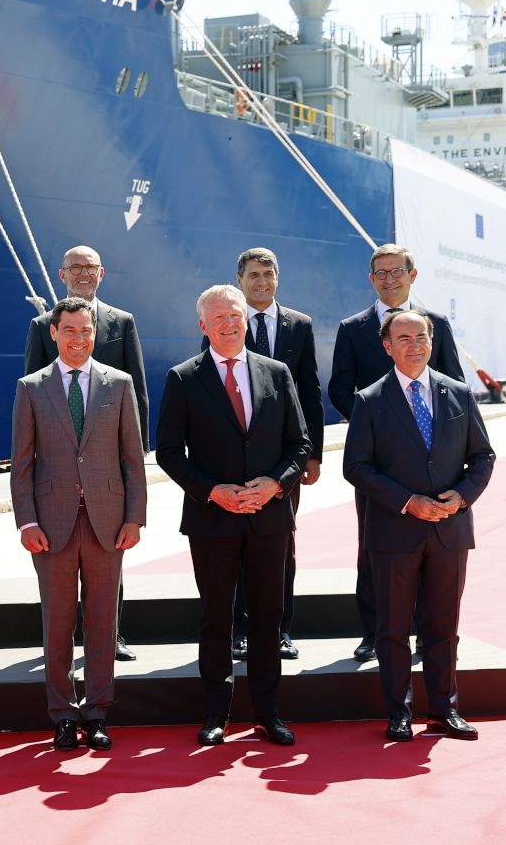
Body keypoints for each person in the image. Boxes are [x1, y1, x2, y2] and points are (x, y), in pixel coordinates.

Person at [154, 285, 309, 747]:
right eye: (218, 317)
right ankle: (216, 715)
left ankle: (268, 713)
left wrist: (276, 483)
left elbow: (300, 445)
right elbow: (167, 452)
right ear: (203, 325)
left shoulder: (277, 373)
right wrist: (212, 491)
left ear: (246, 320)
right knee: (216, 618)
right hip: (212, 519)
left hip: (269, 517)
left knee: (268, 616)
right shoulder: (183, 378)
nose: (228, 323)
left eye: (235, 315)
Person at [343, 310, 495, 742]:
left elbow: (483, 457)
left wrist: (461, 496)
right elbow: (356, 466)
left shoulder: (460, 394)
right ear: (387, 346)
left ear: (431, 341)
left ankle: (445, 710)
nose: (414, 344)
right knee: (392, 628)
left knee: (443, 627)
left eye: (421, 336)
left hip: (449, 530)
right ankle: (400, 712)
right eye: (403, 337)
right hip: (395, 532)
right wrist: (409, 502)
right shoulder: (370, 399)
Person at [11, 297, 145, 751]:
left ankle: (98, 712)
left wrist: (135, 517)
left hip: (108, 523)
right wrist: (26, 521)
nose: (78, 339)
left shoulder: (119, 384)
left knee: (104, 622)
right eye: (69, 330)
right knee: (58, 621)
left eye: (85, 331)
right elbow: (23, 465)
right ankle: (63, 714)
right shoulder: (31, 388)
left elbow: (132, 459)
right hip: (51, 525)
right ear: (54, 333)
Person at [329, 244, 466, 663]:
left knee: (435, 550)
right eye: (381, 273)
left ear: (412, 274)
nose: (389, 279)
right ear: (371, 279)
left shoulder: (436, 325)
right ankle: (374, 632)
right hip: (377, 464)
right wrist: (376, 428)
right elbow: (339, 387)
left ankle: (427, 633)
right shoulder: (352, 328)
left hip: (432, 461)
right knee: (373, 548)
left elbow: (455, 387)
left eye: (397, 271)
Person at [23, 244, 147, 661]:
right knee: (59, 569)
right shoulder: (43, 325)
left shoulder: (122, 322)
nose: (83, 273)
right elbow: (34, 394)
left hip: (106, 466)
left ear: (102, 272)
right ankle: (60, 642)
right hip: (59, 475)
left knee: (110, 563)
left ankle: (112, 636)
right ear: (62, 275)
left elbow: (137, 395)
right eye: (75, 267)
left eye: (90, 267)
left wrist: (136, 461)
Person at [210, 248, 323, 662]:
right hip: (231, 458)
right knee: (236, 546)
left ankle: (279, 631)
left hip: (284, 461)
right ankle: (240, 631)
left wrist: (312, 457)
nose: (261, 282)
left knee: (281, 549)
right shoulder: (223, 323)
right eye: (253, 275)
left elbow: (310, 392)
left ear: (278, 277)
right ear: (239, 279)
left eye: (268, 274)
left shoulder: (299, 325)